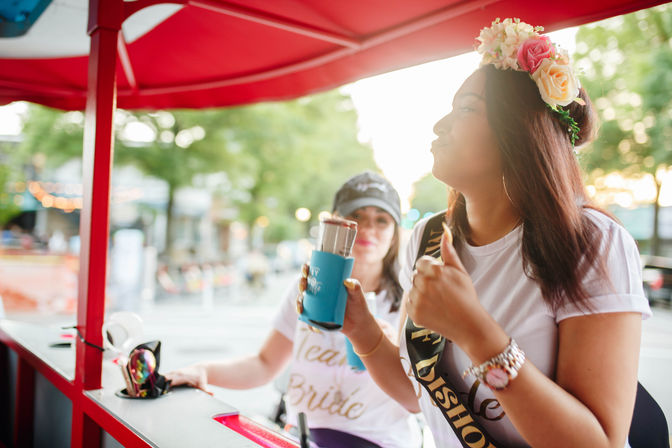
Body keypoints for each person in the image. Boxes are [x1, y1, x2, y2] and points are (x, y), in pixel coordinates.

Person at [340, 19, 653, 448]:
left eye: (466, 108)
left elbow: (600, 443)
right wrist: (362, 331)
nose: (439, 125)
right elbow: (422, 396)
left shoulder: (591, 241)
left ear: (520, 132)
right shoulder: (431, 239)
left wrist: (477, 333)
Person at [167, 171, 421, 448]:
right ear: (335, 222)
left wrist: (378, 341)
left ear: (395, 232)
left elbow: (416, 402)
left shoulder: (411, 300)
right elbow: (264, 365)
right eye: (356, 216)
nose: (368, 228)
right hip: (300, 437)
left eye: (381, 220)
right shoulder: (308, 287)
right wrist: (203, 370)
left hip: (377, 441)